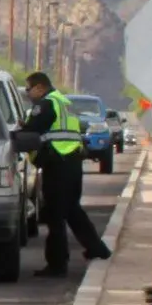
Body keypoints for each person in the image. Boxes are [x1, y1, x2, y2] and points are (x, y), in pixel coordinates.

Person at [20, 71, 112, 278]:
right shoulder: (64, 102)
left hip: (57, 164)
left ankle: (57, 264)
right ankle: (97, 249)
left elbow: (32, 131)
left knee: (55, 215)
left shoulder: (45, 105)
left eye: (29, 89)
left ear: (40, 87)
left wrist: (18, 133)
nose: (28, 93)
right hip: (72, 162)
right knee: (72, 210)